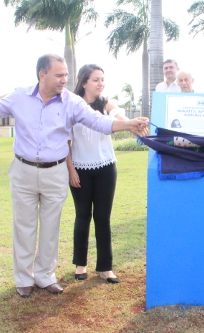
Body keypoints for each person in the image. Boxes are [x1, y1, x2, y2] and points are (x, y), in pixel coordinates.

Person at [0, 54, 149, 298]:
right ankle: (23, 279)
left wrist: (128, 124)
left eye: (66, 75)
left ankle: (45, 277)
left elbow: (98, 122)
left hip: (55, 172)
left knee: (51, 227)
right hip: (23, 170)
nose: (65, 79)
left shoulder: (72, 102)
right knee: (24, 227)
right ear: (42, 75)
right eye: (59, 75)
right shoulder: (19, 95)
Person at [69, 64, 127, 283]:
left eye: (102, 79)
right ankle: (80, 265)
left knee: (103, 217)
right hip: (79, 169)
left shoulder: (107, 104)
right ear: (84, 82)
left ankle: (105, 267)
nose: (100, 83)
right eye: (96, 79)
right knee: (82, 216)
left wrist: (130, 123)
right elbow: (66, 142)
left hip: (105, 167)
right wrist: (70, 169)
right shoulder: (72, 106)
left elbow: (119, 118)